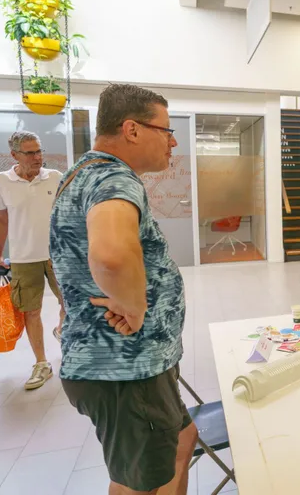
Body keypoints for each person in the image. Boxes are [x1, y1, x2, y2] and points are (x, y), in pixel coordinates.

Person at [50, 84, 198, 495]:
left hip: (135, 367)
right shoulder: (113, 176)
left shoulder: (85, 172)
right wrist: (134, 306)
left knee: (182, 440)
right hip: (126, 370)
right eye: (166, 130)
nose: (172, 142)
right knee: (140, 483)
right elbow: (112, 255)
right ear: (132, 130)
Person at [0, 131, 65, 390]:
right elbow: (1, 220)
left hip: (57, 254)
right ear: (15, 155)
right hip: (23, 258)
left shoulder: (55, 177)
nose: (37, 157)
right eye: (30, 153)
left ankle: (62, 331)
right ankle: (42, 363)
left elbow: (66, 214)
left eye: (39, 151)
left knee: (71, 303)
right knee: (31, 311)